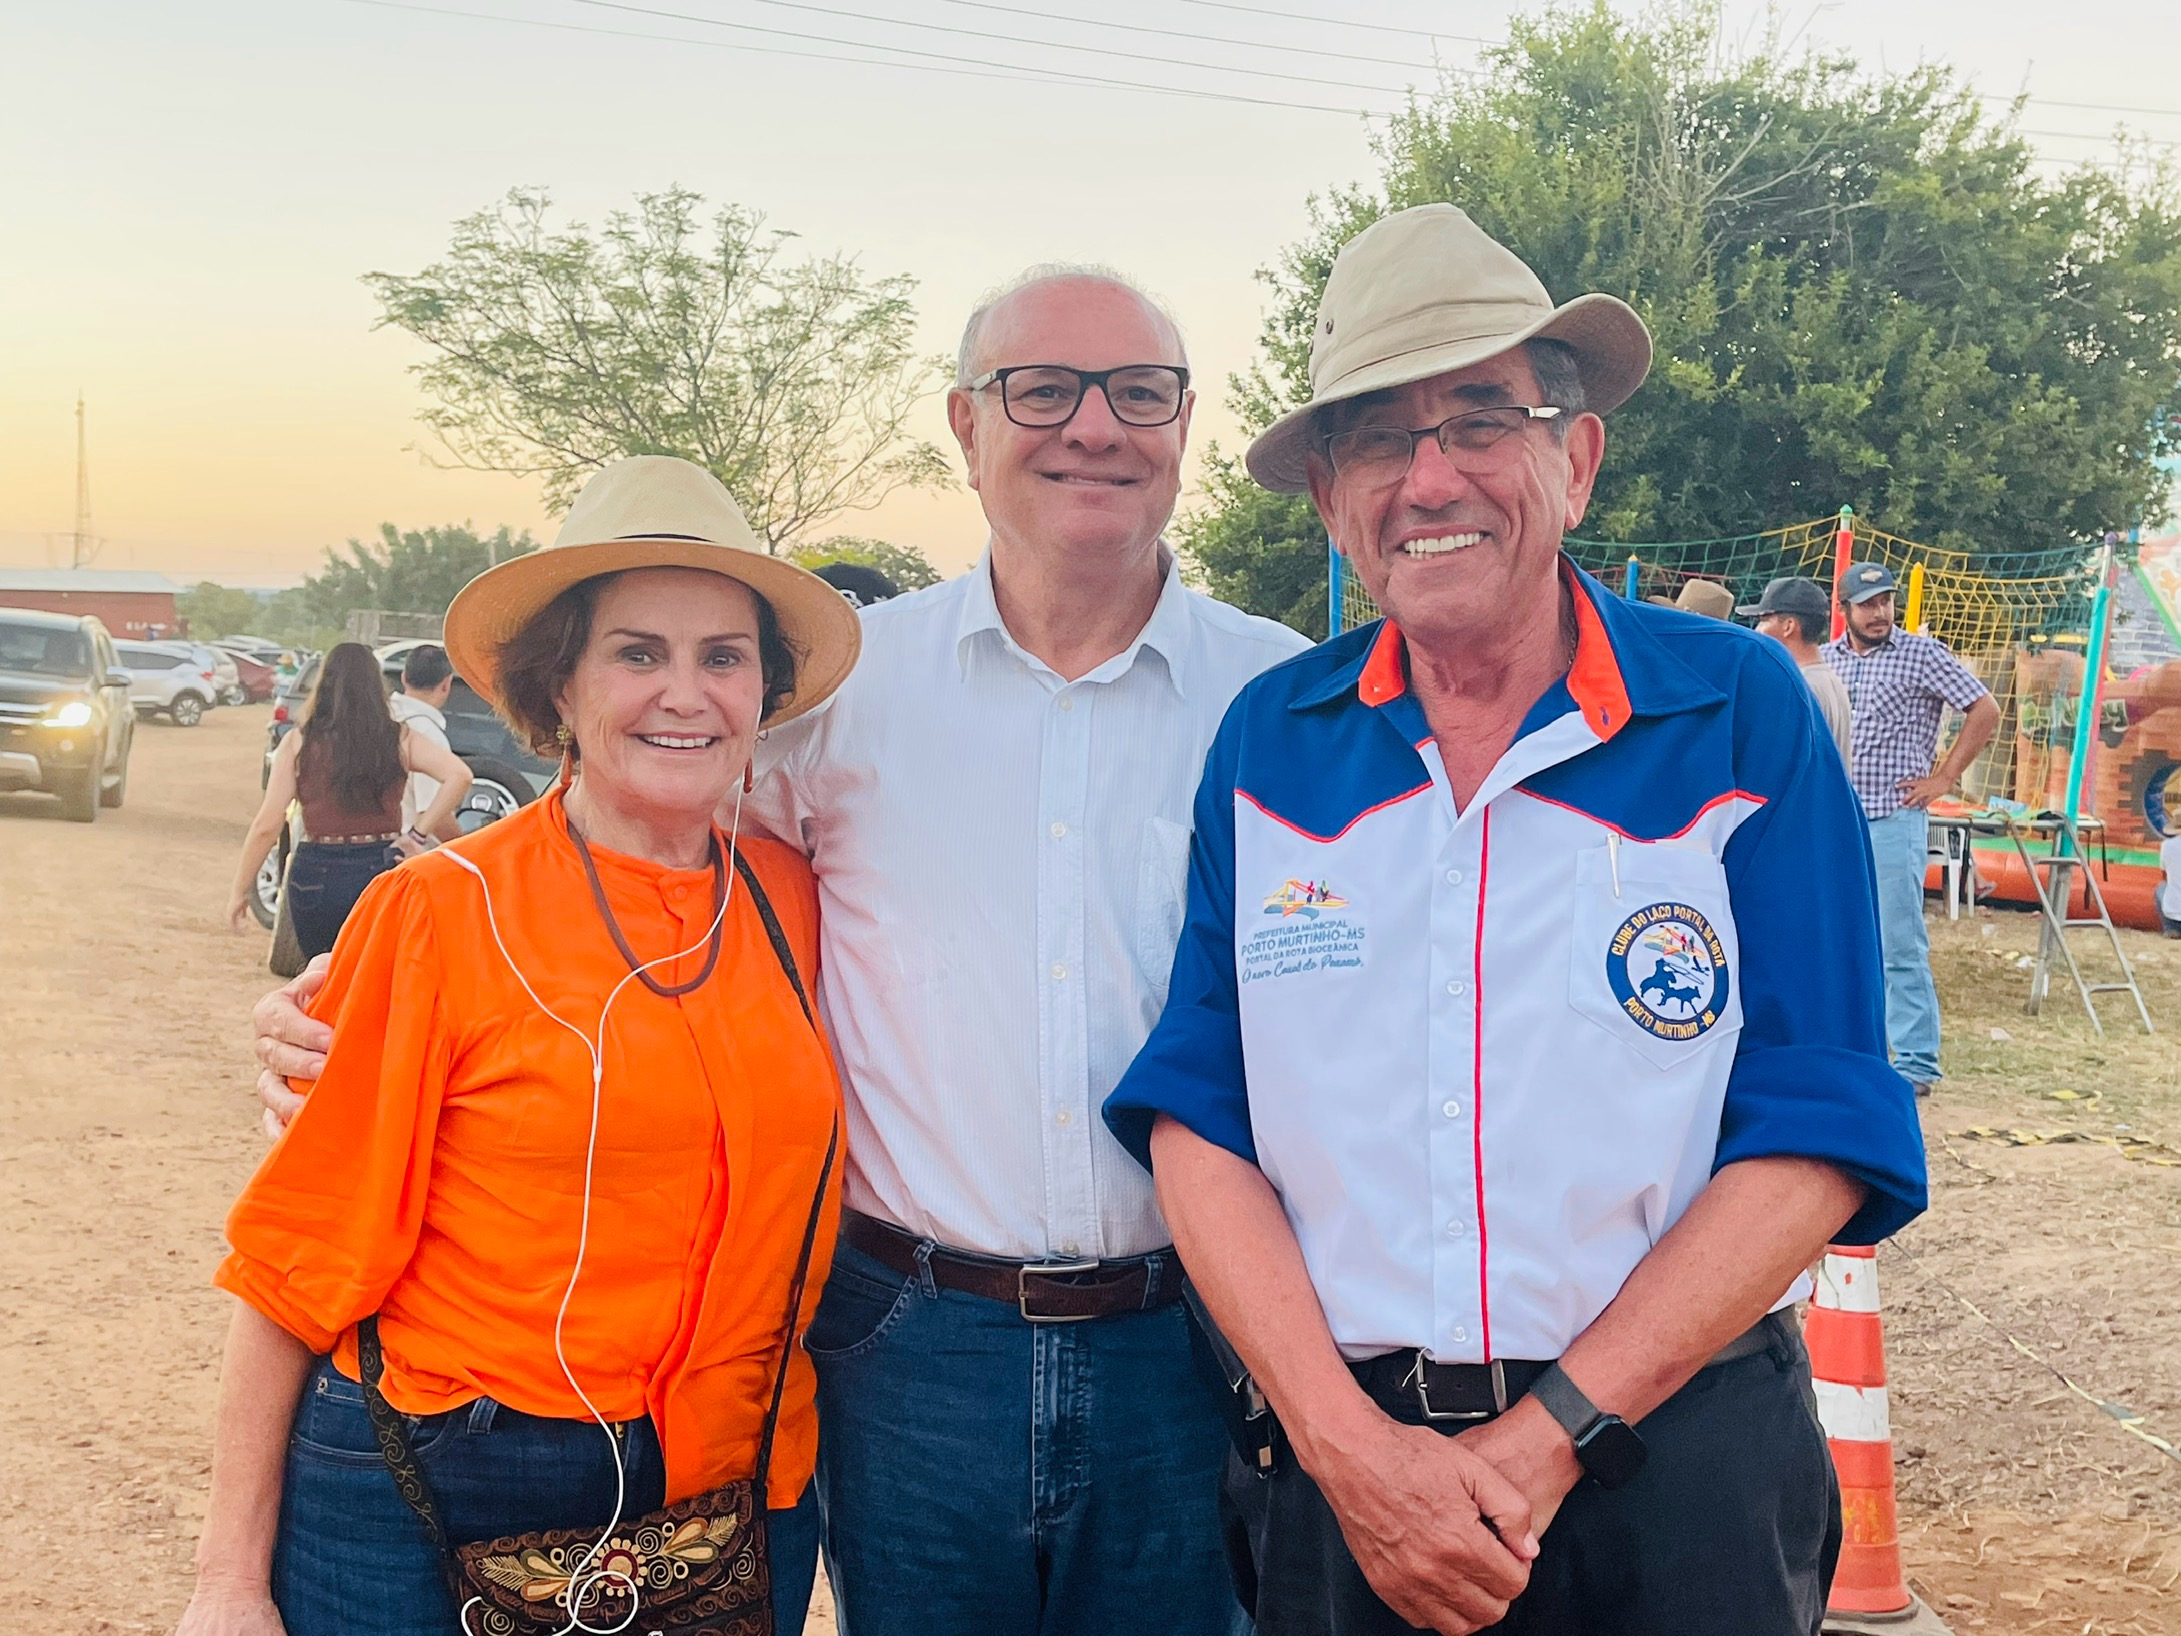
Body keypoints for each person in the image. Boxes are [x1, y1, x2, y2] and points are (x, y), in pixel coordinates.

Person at [250, 267, 1311, 1635]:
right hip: (905, 1340)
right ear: (964, 424)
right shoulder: (855, 696)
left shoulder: (1283, 701)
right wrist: (323, 1018)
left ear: (1184, 421)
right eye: (1041, 390)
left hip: (1189, 1335)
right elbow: (624, 849)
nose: (1092, 427)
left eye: (1138, 392)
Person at [1105, 204, 1927, 1636]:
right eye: (1375, 434)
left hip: (1679, 1472)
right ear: (1327, 495)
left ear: (1577, 457)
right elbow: (1201, 1117)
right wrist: (1348, 1454)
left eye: (1483, 417)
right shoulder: (1272, 744)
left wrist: (1544, 1440)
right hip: (1348, 1466)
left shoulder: (1737, 712)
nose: (1432, 478)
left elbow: (1819, 1125)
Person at [179, 456, 862, 1636]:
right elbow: (299, 1258)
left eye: (723, 655)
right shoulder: (438, 908)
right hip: (438, 1474)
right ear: (559, 685)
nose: (684, 693)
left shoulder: (792, 899)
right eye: (637, 652)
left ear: (766, 689)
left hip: (723, 1483)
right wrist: (226, 1585)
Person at [1824, 561, 2001, 1094]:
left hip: (1894, 817)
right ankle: (1860, 1052)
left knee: (1900, 943)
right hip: (1839, 821)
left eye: (1886, 602)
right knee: (1842, 940)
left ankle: (1918, 1061)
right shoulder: (1828, 662)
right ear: (1845, 610)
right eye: (1868, 604)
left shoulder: (1921, 653)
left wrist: (1945, 776)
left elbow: (1985, 708)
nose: (1880, 613)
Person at [227, 643, 473, 958]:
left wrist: (240, 888)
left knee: (319, 978)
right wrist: (417, 834)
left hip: (314, 869)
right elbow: (459, 775)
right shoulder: (399, 738)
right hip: (378, 865)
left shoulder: (300, 741)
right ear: (376, 684)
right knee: (371, 979)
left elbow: (267, 824)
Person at [1742, 576, 1854, 764]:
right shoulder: (1830, 680)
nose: (1757, 630)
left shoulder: (1796, 686)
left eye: (1764, 620)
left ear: (1789, 626)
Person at [387, 643, 459, 838]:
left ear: (403, 677)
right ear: (446, 684)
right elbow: (435, 816)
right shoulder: (427, 734)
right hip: (403, 853)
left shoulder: (378, 717)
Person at [2157, 809, 2181, 938]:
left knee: (2161, 888)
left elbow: (2164, 876)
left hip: (2173, 912)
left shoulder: (2167, 845)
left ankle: (2170, 928)